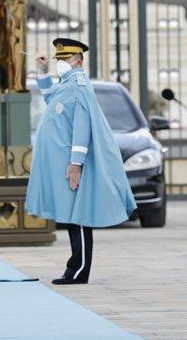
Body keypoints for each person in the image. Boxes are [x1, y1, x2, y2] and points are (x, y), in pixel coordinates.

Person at [27, 38, 136, 284]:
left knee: (80, 215)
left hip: (72, 163)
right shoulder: (67, 84)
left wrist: (76, 162)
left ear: (78, 60)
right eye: (59, 60)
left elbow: (82, 125)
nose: (61, 64)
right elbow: (49, 99)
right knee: (73, 215)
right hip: (64, 162)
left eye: (65, 59)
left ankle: (79, 270)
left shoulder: (78, 85)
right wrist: (43, 73)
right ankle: (74, 268)